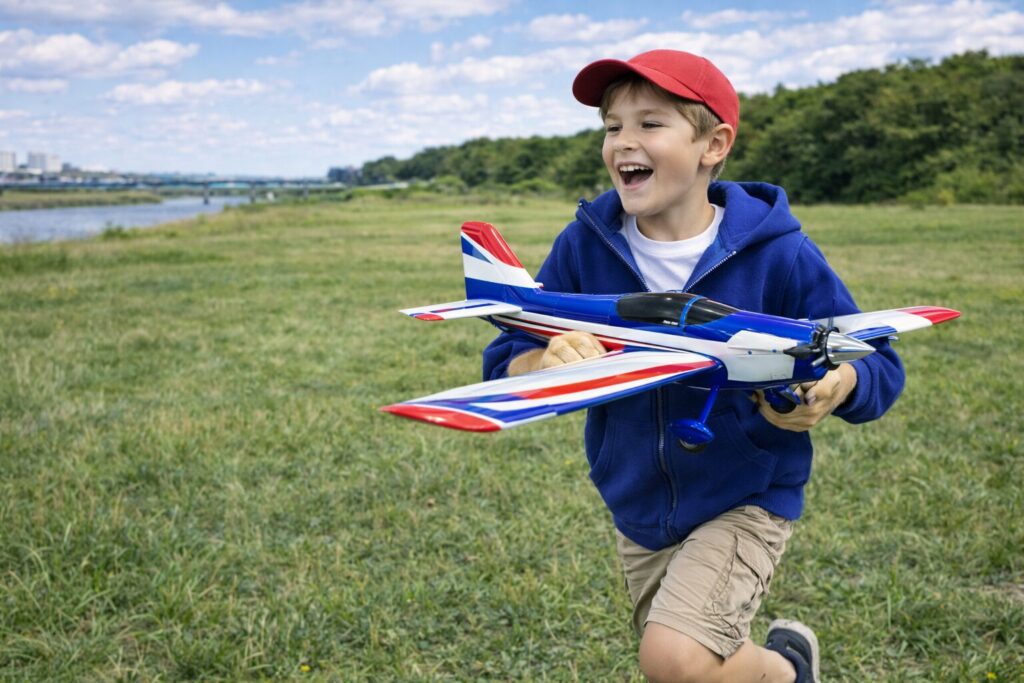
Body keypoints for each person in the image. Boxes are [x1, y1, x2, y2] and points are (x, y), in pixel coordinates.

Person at [482, 50, 905, 683]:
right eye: (612, 126)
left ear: (714, 144)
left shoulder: (780, 254)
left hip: (748, 494)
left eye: (650, 124)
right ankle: (788, 670)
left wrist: (840, 383)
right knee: (702, 666)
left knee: (674, 662)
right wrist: (548, 358)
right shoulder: (584, 245)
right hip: (637, 503)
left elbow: (876, 361)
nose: (624, 141)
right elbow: (504, 362)